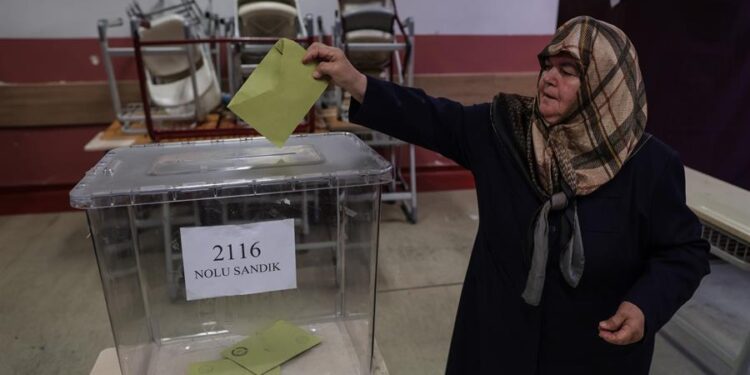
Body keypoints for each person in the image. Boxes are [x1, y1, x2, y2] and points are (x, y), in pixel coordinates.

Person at [303, 16, 710, 374]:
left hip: (592, 355)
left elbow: (684, 252)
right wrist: (355, 81)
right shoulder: (506, 131)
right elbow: (431, 117)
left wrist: (645, 306)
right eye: (548, 65)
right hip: (498, 345)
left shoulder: (649, 166)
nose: (549, 77)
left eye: (569, 71)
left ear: (607, 83)